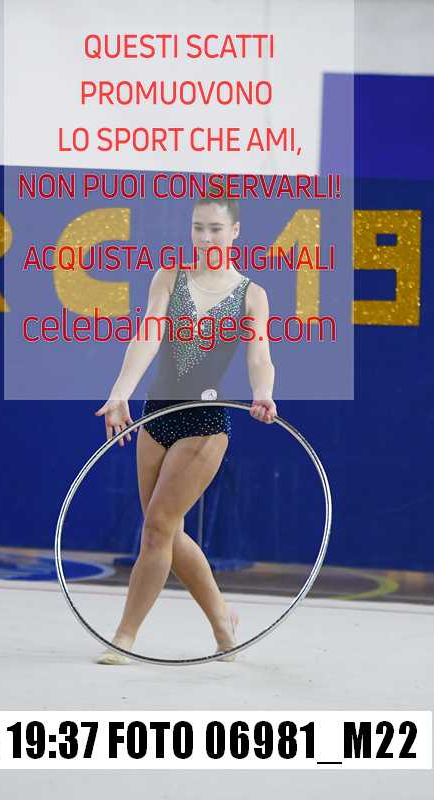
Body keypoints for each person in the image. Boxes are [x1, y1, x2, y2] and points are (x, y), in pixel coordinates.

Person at [95, 194, 276, 664]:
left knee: (158, 527)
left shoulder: (250, 294)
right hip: (157, 416)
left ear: (235, 232)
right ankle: (223, 622)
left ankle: (124, 636)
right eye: (198, 227)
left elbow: (259, 354)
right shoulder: (169, 276)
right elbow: (149, 332)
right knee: (166, 531)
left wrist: (263, 391)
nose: (205, 237)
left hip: (205, 422)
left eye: (216, 228)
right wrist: (120, 391)